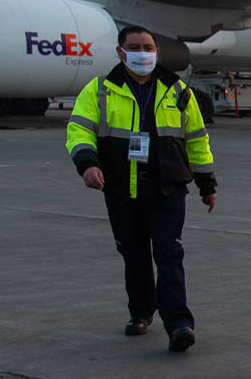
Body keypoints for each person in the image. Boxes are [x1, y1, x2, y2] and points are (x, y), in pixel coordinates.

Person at [66, 26, 218, 352]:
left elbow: (197, 139)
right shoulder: (99, 90)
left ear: (156, 52)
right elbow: (79, 131)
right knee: (133, 254)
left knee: (169, 254)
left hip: (168, 188)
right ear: (121, 53)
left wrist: (207, 183)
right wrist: (88, 164)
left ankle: (179, 324)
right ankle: (141, 312)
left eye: (148, 47)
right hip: (122, 187)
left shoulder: (178, 91)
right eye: (134, 47)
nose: (142, 52)